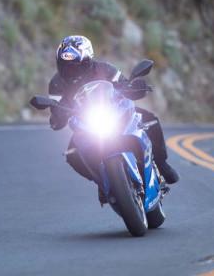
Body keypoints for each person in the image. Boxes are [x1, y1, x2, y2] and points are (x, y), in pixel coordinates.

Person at [48, 35, 179, 203]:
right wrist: (58, 116)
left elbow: (125, 85)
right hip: (84, 123)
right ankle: (103, 182)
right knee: (72, 156)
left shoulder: (104, 69)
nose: (71, 70)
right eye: (66, 66)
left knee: (150, 120)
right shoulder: (56, 84)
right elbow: (56, 116)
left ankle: (161, 163)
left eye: (76, 66)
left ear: (88, 61)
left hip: (115, 111)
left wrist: (136, 87)